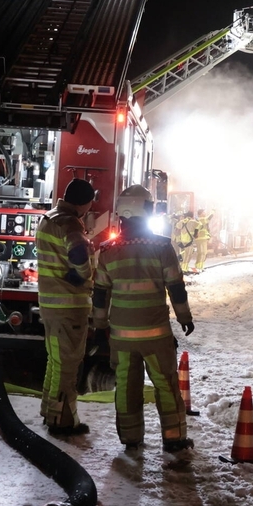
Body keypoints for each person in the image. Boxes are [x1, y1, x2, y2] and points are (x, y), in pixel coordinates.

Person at [92, 184, 196, 453]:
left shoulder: (108, 251)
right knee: (166, 385)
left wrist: (99, 326)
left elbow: (100, 294)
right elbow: (176, 287)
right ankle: (174, 438)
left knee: (126, 387)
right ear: (145, 210)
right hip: (156, 336)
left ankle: (130, 438)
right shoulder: (162, 246)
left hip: (122, 338)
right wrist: (184, 317)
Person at [37, 177, 96, 436]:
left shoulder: (48, 218)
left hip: (50, 304)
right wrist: (83, 274)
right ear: (84, 203)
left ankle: (50, 411)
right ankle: (62, 421)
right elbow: (79, 256)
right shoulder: (70, 223)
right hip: (69, 305)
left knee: (55, 361)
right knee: (68, 364)